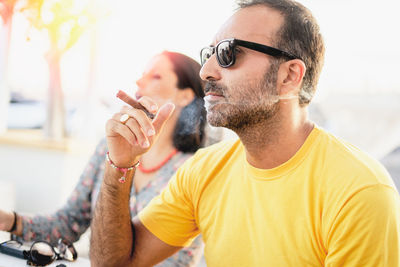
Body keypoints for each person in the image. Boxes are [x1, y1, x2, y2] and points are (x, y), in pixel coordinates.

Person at [90, 0, 400, 266]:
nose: (205, 71)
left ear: (289, 76)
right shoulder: (203, 171)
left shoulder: (358, 192)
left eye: (228, 53)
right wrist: (120, 164)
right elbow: (117, 262)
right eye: (207, 54)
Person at [0, 51, 209, 266]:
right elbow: (68, 222)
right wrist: (9, 220)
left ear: (185, 95)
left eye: (156, 76)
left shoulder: (196, 170)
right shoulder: (110, 148)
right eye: (142, 74)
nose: (139, 81)